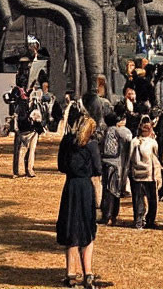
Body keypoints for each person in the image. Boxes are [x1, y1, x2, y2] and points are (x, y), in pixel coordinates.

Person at [56, 115, 101, 289]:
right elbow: (97, 168)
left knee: (71, 228)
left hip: (71, 186)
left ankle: (70, 273)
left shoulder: (67, 141)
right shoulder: (92, 145)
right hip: (85, 187)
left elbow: (61, 166)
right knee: (87, 229)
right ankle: (88, 273)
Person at [99, 112, 132, 226]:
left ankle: (107, 216)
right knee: (114, 192)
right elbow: (129, 137)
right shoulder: (119, 131)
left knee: (108, 191)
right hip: (116, 165)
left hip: (107, 164)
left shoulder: (106, 131)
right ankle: (112, 216)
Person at [127, 121, 161, 229]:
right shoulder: (153, 143)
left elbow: (129, 157)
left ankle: (139, 221)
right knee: (152, 199)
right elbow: (156, 156)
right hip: (149, 175)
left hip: (136, 175)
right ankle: (150, 221)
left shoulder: (134, 141)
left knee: (138, 199)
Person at [12, 88, 43, 178]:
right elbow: (16, 117)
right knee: (23, 151)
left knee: (28, 151)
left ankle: (27, 170)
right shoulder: (22, 105)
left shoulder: (32, 105)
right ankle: (22, 171)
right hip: (25, 130)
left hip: (30, 130)